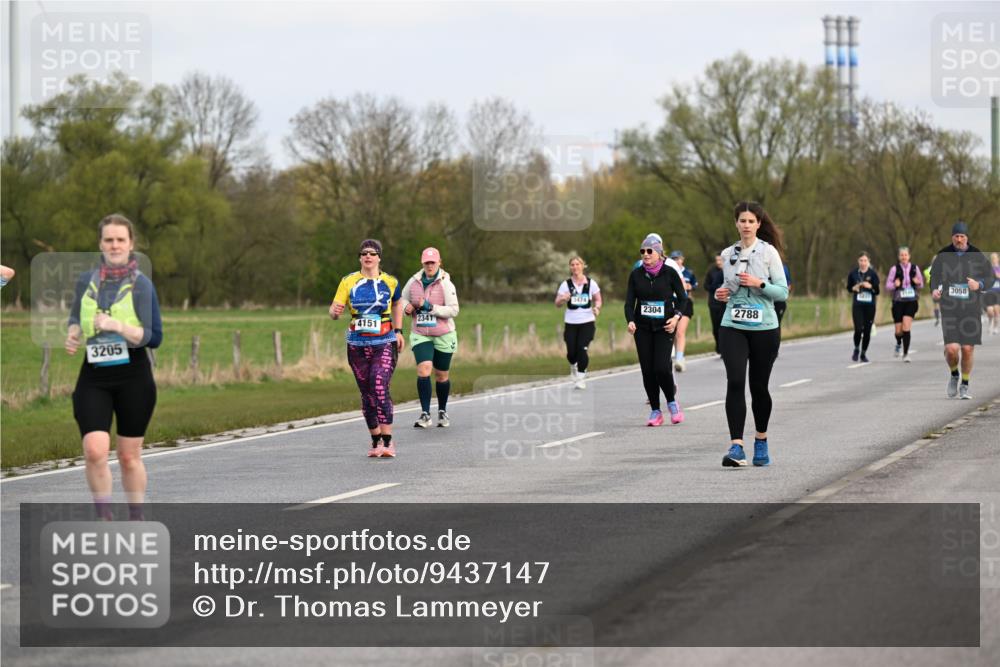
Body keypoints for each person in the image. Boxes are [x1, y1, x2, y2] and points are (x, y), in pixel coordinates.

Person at [64, 214, 162, 521]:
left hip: (134, 376)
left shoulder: (142, 286)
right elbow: (76, 318)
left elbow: (154, 337)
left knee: (128, 457)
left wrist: (117, 325)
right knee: (94, 450)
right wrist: (73, 333)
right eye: (109, 239)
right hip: (94, 375)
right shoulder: (86, 281)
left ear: (131, 244)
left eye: (121, 239)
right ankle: (104, 516)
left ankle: (136, 517)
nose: (115, 245)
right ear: (100, 244)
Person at [714, 201, 788, 468]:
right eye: (741, 221)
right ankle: (736, 446)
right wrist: (720, 293)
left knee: (758, 387)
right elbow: (727, 288)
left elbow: (782, 292)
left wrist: (760, 283)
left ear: (758, 224)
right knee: (735, 381)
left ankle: (761, 439)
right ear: (736, 223)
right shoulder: (727, 253)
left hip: (764, 328)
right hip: (732, 324)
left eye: (750, 221)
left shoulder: (769, 254)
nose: (746, 225)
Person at [330, 239, 405, 457]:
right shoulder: (348, 281)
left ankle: (389, 441)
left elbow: (398, 302)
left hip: (384, 342)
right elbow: (334, 311)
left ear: (379, 258)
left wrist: (399, 331)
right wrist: (334, 312)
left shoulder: (390, 282)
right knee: (366, 394)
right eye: (364, 253)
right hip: (357, 345)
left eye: (373, 253)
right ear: (360, 257)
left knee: (379, 385)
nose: (368, 256)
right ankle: (375, 441)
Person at [625, 235, 687, 426]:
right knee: (648, 370)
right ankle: (655, 411)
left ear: (659, 254)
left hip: (664, 327)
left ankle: (671, 402)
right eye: (642, 251)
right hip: (642, 328)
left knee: (661, 367)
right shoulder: (636, 275)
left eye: (649, 251)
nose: (645, 254)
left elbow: (683, 299)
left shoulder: (669, 273)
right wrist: (631, 321)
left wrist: (676, 317)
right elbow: (629, 303)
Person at [929, 222, 992, 400]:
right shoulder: (943, 255)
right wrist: (934, 289)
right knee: (951, 349)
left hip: (971, 309)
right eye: (956, 236)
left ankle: (964, 383)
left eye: (962, 236)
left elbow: (991, 277)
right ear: (952, 237)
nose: (959, 239)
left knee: (967, 349)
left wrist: (978, 284)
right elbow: (934, 277)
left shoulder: (977, 254)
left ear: (967, 238)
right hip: (949, 309)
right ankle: (954, 373)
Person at [399, 247, 459, 428]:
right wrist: (406, 306)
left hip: (443, 334)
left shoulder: (446, 284)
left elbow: (454, 310)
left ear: (439, 263)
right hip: (420, 334)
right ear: (422, 263)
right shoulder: (414, 281)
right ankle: (425, 413)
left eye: (433, 262)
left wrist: (430, 307)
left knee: (441, 375)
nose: (430, 266)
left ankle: (442, 411)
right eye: (427, 262)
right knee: (424, 369)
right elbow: (400, 299)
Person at [554, 256, 602, 389]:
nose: (575, 267)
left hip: (587, 321)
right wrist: (562, 298)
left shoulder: (591, 283)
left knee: (582, 348)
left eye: (577, 264)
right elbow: (557, 303)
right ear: (570, 267)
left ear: (583, 266)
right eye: (572, 265)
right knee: (571, 353)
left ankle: (581, 377)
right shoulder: (566, 284)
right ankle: (573, 366)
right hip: (571, 322)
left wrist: (597, 308)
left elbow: (598, 299)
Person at [885, 246, 923, 362]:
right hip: (898, 302)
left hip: (911, 301)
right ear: (899, 257)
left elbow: (921, 285)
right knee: (898, 331)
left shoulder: (915, 268)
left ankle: (905, 354)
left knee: (906, 326)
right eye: (902, 255)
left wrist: (917, 282)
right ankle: (898, 343)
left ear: (909, 256)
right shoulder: (894, 269)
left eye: (906, 255)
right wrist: (895, 285)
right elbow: (888, 286)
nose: (904, 257)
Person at [847, 252, 879, 362]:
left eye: (865, 261)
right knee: (858, 329)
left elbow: (877, 290)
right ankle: (856, 348)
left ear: (868, 261)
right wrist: (854, 288)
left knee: (867, 331)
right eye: (861, 260)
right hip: (858, 305)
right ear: (858, 261)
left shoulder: (873, 274)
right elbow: (848, 288)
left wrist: (870, 286)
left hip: (870, 306)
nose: (863, 263)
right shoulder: (853, 274)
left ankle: (863, 353)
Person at [668, 250, 696, 372]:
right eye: (674, 259)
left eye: (678, 259)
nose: (677, 261)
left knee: (680, 332)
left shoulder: (688, 272)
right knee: (673, 331)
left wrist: (690, 287)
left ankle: (679, 359)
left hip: (685, 302)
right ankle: (678, 355)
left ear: (682, 259)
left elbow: (694, 285)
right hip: (672, 303)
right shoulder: (668, 271)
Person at [703, 254, 725, 356]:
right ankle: (718, 346)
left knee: (724, 326)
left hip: (727, 303)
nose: (719, 262)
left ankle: (725, 348)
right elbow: (706, 286)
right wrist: (717, 288)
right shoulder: (711, 271)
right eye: (717, 260)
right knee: (716, 327)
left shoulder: (729, 270)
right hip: (714, 303)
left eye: (720, 260)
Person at [985, 252, 1000, 336]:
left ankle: (995, 327)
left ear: (998, 259)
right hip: (989, 292)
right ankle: (990, 321)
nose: (993, 260)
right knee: (990, 311)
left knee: (997, 311)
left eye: (995, 258)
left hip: (998, 292)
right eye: (992, 258)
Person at [924, 259, 940, 326]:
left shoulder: (926, 271)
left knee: (935, 304)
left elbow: (927, 279)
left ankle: (937, 318)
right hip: (940, 287)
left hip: (932, 288)